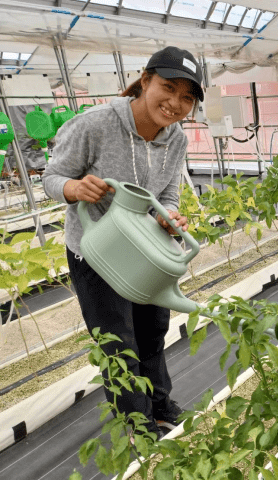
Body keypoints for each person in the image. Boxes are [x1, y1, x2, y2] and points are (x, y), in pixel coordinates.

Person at [42, 46, 204, 438]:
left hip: (143, 252)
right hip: (96, 251)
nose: (176, 104)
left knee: (153, 330)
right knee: (117, 341)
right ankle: (138, 421)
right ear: (144, 81)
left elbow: (167, 193)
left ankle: (160, 402)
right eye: (168, 88)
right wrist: (74, 187)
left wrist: (169, 217)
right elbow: (52, 177)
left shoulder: (176, 138)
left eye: (187, 97)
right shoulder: (94, 124)